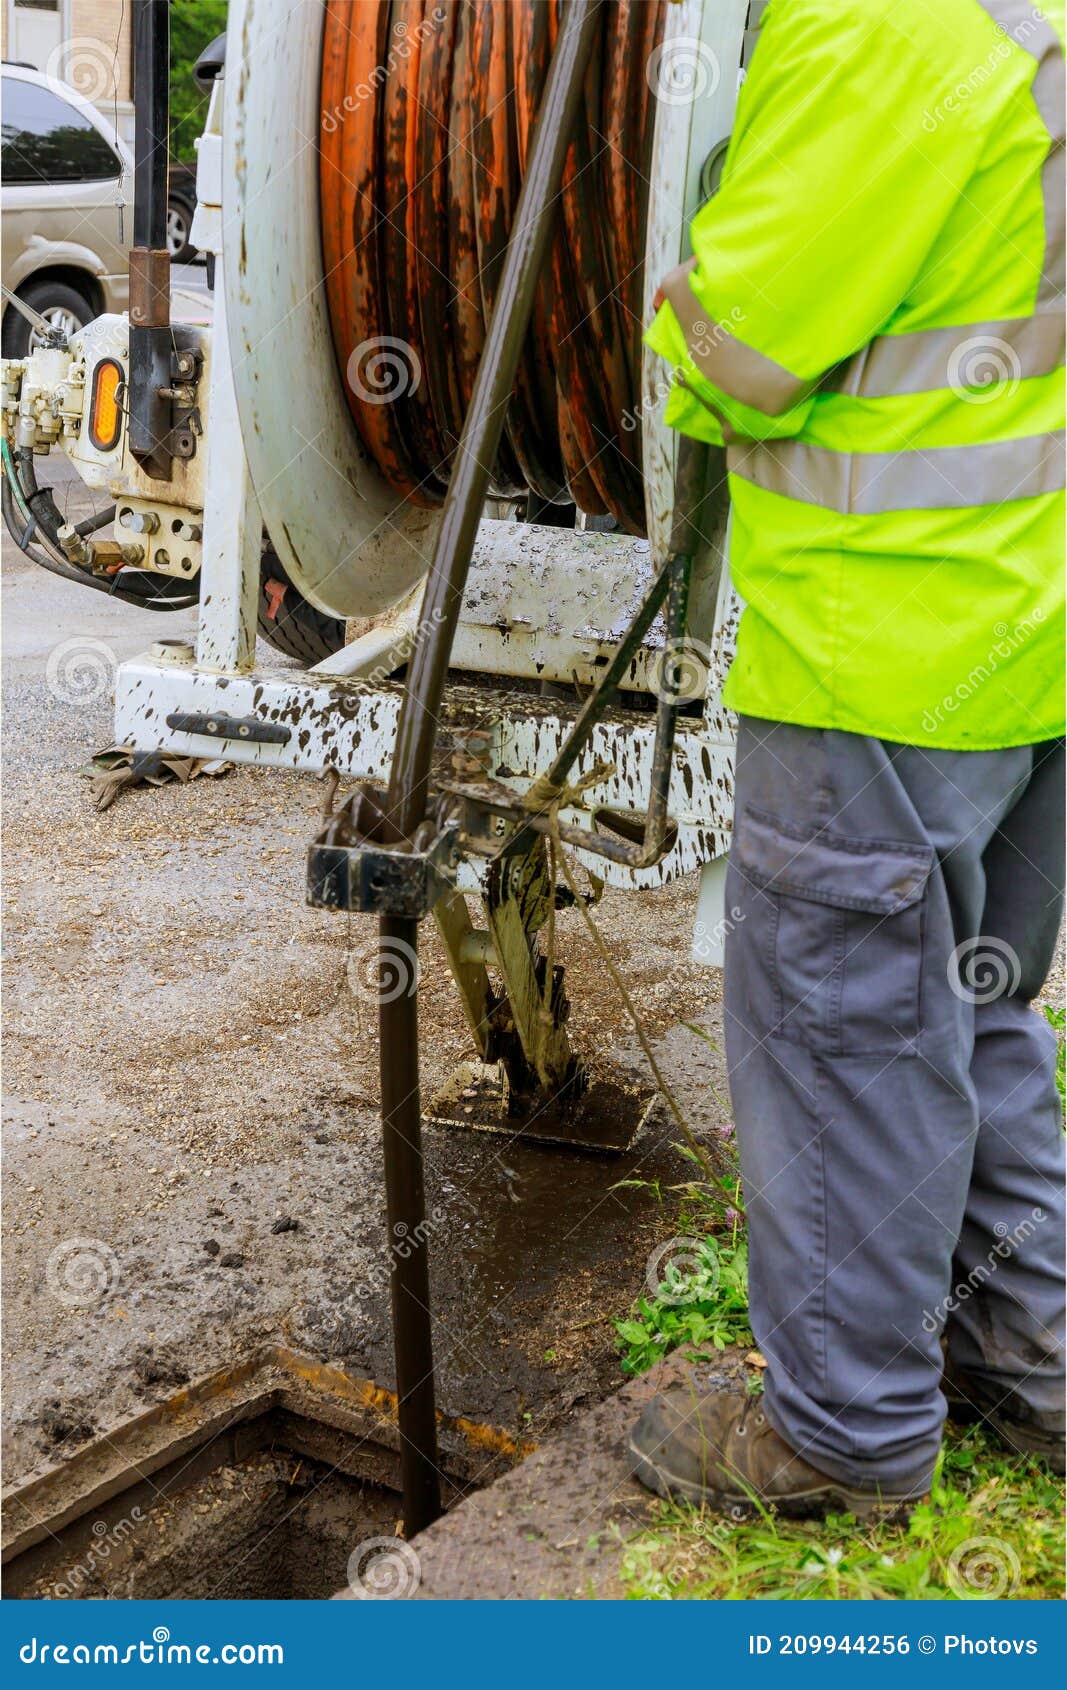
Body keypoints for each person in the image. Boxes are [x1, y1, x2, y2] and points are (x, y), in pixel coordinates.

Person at [629, 0, 1065, 1517]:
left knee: (843, 1039)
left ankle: (844, 1435)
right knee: (974, 1011)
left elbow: (737, 349)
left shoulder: (887, 25)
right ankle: (1032, 1359)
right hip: (1026, 635)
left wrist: (678, 322)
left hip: (878, 647)